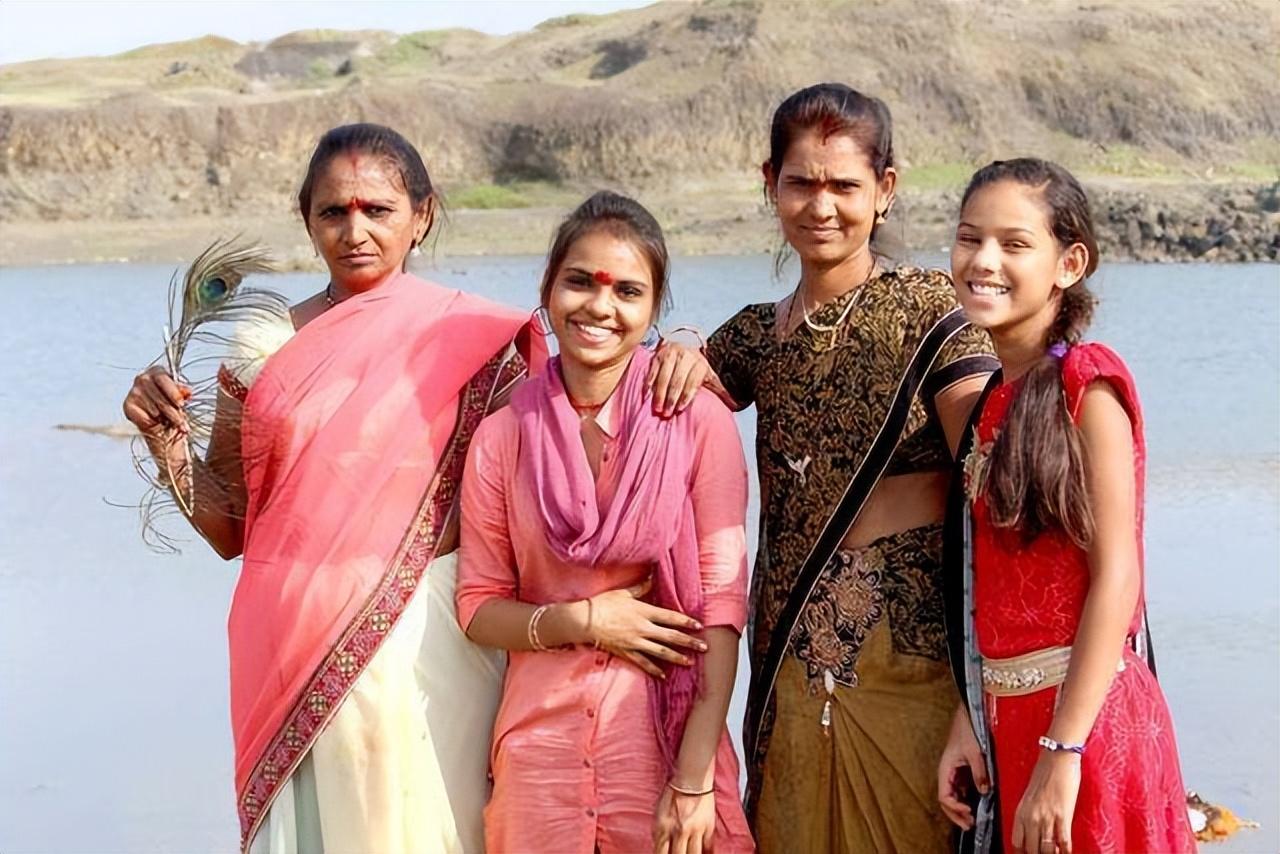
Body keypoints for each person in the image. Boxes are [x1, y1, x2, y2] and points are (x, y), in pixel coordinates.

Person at [121, 123, 545, 853]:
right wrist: (167, 445)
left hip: (426, 634)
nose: (355, 230)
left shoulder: (474, 338)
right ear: (306, 218)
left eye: (378, 210)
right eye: (333, 212)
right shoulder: (264, 346)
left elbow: (524, 505)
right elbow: (231, 530)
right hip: (288, 634)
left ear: (424, 215)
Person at [650, 83, 1000, 853]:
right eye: (801, 182)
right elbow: (650, 416)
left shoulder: (929, 314)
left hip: (911, 680)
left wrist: (978, 705)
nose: (821, 206)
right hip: (788, 681)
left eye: (844, 185)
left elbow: (997, 472)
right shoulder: (752, 339)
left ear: (886, 190)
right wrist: (674, 339)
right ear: (768, 183)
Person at [455, 191, 756, 854]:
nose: (600, 306)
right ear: (548, 288)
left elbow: (721, 608)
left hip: (657, 745)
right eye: (580, 282)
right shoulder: (504, 437)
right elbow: (477, 606)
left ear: (652, 310)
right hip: (539, 754)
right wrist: (583, 622)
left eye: (627, 290)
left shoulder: (694, 421)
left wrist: (694, 780)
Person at [935, 158, 1197, 854]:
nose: (983, 261)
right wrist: (971, 714)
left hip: (1088, 728)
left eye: (1014, 244)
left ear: (1069, 262)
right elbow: (988, 587)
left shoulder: (1088, 383)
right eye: (969, 239)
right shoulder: (992, 401)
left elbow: (1117, 576)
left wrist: (1064, 750)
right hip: (1010, 725)